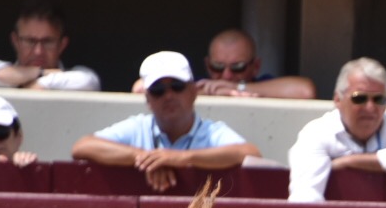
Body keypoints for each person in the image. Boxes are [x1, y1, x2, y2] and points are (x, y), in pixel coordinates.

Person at [72, 51, 258, 191]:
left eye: (177, 87)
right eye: (158, 90)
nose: (168, 96)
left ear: (193, 92)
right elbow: (82, 146)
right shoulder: (139, 126)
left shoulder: (211, 131)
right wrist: (147, 158)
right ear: (147, 99)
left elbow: (250, 153)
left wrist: (181, 159)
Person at [287, 57, 386, 202]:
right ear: (338, 99)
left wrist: (350, 161)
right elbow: (305, 196)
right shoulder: (316, 133)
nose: (370, 108)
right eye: (360, 98)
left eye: (379, 99)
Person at [0, 1, 101, 92]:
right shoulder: (0, 72)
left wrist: (36, 83)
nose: (38, 51)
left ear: (62, 44)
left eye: (47, 42)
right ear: (15, 41)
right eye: (30, 41)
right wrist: (40, 73)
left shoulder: (76, 77)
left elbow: (89, 82)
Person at [195, 28, 316, 99]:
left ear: (256, 67)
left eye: (238, 67)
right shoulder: (197, 86)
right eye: (218, 67)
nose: (227, 76)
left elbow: (305, 91)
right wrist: (209, 92)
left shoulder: (262, 85)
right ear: (207, 65)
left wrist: (237, 88)